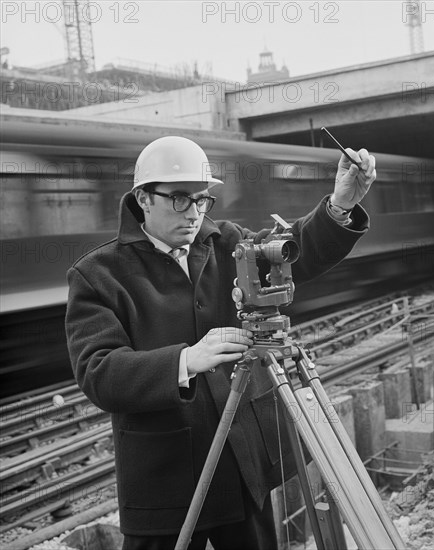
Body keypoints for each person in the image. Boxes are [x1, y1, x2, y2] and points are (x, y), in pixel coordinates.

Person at [65, 136, 376, 550]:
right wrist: (187, 360)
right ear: (142, 197)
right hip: (164, 482)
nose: (194, 213)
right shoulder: (98, 274)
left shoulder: (227, 241)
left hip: (243, 467)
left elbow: (295, 249)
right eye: (179, 199)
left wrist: (339, 204)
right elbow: (98, 372)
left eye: (201, 199)